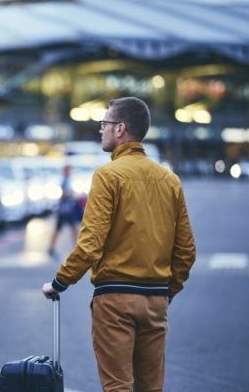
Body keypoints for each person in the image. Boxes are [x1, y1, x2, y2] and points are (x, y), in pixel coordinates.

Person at [42, 97, 196, 391]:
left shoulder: (108, 176)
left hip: (114, 300)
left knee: (118, 387)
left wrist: (59, 283)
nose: (101, 130)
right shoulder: (169, 180)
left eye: (105, 124)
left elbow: (90, 244)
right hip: (156, 300)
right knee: (151, 388)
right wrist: (167, 292)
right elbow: (186, 250)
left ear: (121, 128)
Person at [47, 164, 79, 258]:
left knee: (72, 229)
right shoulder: (64, 181)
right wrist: (70, 194)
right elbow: (63, 194)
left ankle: (75, 248)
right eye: (68, 170)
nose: (69, 172)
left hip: (66, 210)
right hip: (65, 211)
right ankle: (51, 248)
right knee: (66, 229)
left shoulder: (67, 180)